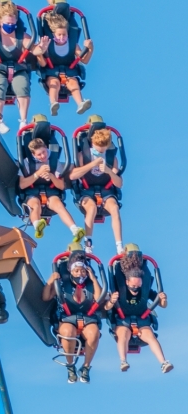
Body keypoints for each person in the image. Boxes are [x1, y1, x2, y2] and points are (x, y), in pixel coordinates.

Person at [0, 0, 46, 133]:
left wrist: (41, 48)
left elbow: (34, 50)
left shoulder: (22, 35)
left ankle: (23, 121)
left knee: (22, 86)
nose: (10, 26)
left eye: (13, 24)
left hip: (18, 69)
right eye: (7, 24)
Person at [42, 248, 106, 383]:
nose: (80, 273)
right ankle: (70, 365)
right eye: (76, 271)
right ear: (70, 271)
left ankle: (86, 367)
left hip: (88, 317)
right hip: (67, 317)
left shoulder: (90, 283)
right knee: (67, 331)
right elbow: (46, 297)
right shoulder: (62, 284)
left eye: (82, 271)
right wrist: (50, 280)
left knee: (94, 332)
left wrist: (94, 279)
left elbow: (99, 298)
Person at [109, 250, 172, 373]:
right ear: (127, 282)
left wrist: (163, 299)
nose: (135, 289)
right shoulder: (119, 288)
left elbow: (163, 305)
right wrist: (111, 301)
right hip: (122, 318)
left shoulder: (145, 290)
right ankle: (123, 361)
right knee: (123, 334)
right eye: (132, 287)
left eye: (138, 286)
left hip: (142, 318)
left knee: (150, 336)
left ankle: (164, 362)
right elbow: (106, 307)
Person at [19, 137, 85, 242]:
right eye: (39, 154)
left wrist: (52, 176)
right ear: (33, 154)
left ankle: (75, 229)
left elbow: (62, 186)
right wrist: (38, 173)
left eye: (44, 152)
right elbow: (22, 185)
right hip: (32, 191)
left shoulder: (54, 162)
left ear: (46, 148)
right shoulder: (26, 163)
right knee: (35, 205)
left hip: (51, 192)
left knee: (59, 205)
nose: (43, 156)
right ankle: (37, 225)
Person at [70, 126, 122, 256]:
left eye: (102, 150)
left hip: (105, 189)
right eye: (97, 150)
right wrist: (92, 164)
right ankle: (88, 243)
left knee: (114, 208)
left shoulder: (111, 158)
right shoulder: (84, 155)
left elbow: (119, 183)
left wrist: (109, 171)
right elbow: (72, 176)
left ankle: (119, 245)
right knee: (91, 208)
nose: (99, 153)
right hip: (86, 190)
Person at [35, 10, 93, 116]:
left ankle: (80, 103)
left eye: (64, 34)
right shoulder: (48, 45)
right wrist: (40, 53)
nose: (62, 38)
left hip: (69, 70)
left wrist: (90, 50)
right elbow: (43, 64)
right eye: (59, 35)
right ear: (53, 35)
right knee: (54, 83)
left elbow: (84, 60)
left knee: (73, 84)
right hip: (51, 70)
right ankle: (53, 103)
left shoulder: (73, 45)